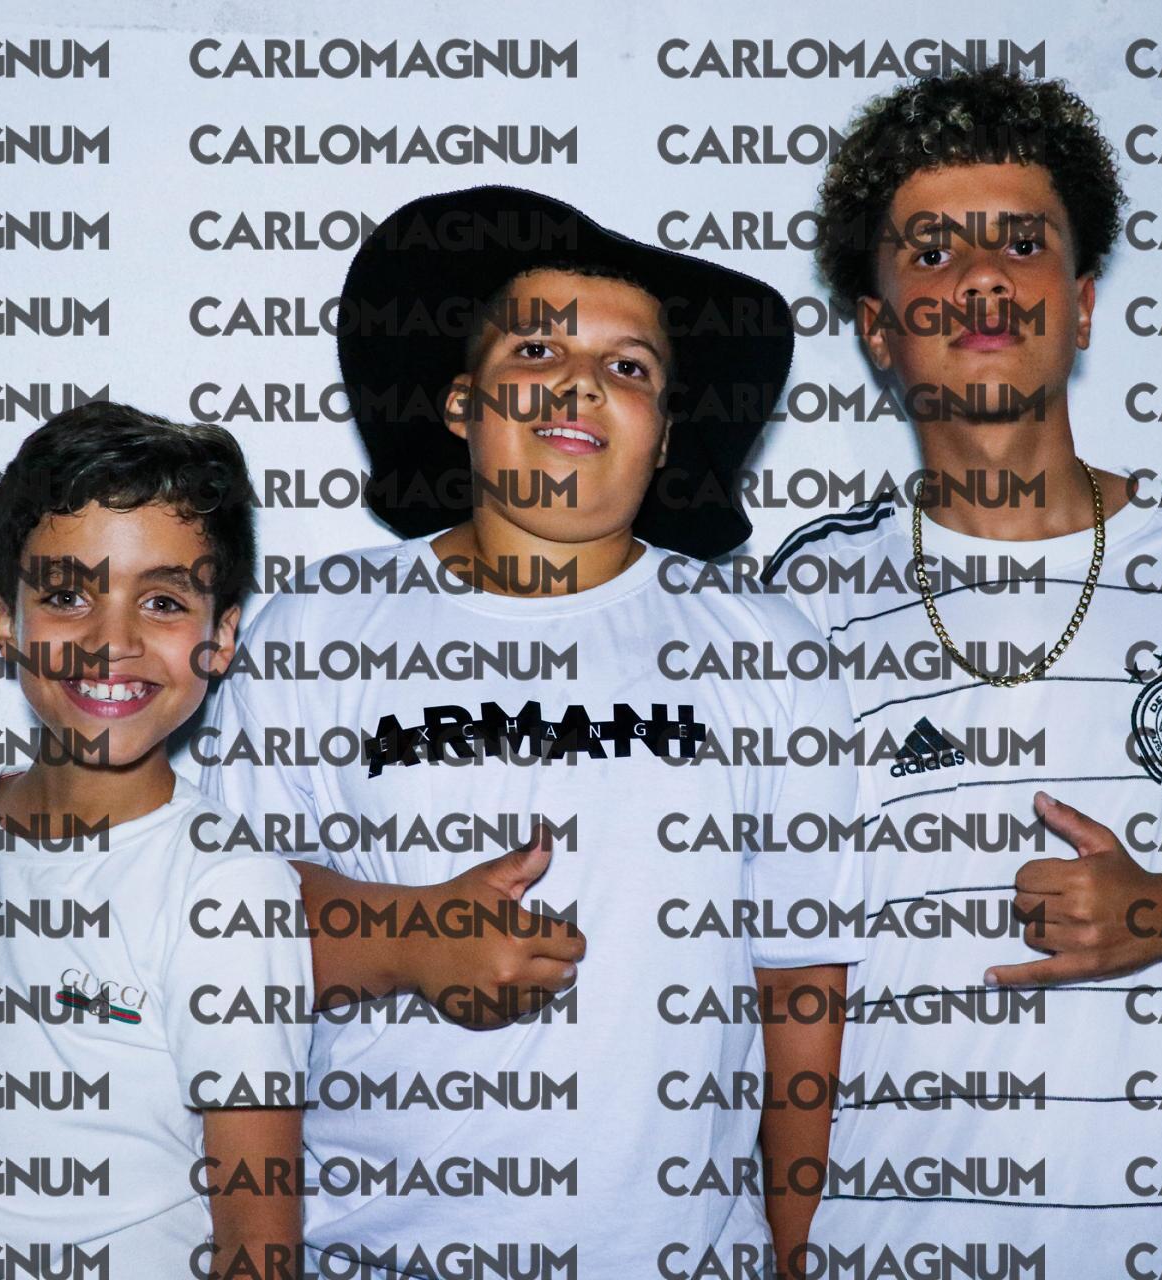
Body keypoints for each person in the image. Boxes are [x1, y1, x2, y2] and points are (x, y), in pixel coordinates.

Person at [199, 185, 864, 1277]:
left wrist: (795, 1256)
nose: (581, 382)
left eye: (629, 366)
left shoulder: (768, 649)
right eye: (539, 347)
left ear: (665, 434)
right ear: (462, 402)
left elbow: (799, 984)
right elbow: (227, 943)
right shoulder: (317, 629)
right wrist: (409, 935)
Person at [764, 68, 1162, 1270]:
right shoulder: (803, 596)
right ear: (878, 327)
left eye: (1022, 242)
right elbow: (794, 980)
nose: (983, 278)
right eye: (933, 250)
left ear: (1080, 305)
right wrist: (789, 1244)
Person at [0, 402, 311, 1280]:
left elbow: (259, 1241)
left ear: (220, 638)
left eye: (162, 602)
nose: (111, 642)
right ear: (6, 620)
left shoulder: (228, 888)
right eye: (67, 595)